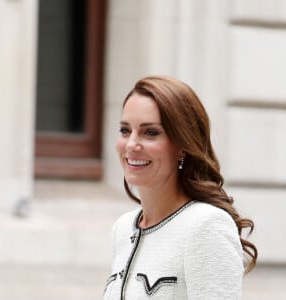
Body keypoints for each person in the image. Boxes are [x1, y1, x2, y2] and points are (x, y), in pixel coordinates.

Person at [104, 75, 257, 299]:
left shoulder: (206, 226)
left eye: (150, 132)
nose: (131, 144)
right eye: (125, 130)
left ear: (182, 146)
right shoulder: (124, 228)